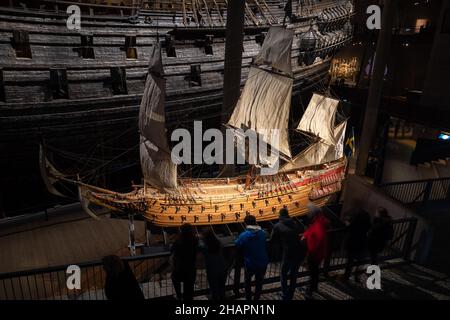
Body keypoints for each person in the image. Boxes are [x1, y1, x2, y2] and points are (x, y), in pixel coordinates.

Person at [270, 208, 305, 300]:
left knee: (283, 273)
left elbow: (272, 239)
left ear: (280, 215)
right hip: (299, 251)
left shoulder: (278, 225)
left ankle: (285, 294)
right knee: (294, 274)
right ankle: (291, 294)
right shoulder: (295, 223)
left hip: (288, 253)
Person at [235, 215, 268, 301]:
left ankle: (248, 299)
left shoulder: (244, 235)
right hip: (263, 262)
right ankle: (256, 299)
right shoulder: (263, 233)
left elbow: (237, 244)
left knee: (248, 282)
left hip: (251, 263)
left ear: (246, 224)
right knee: (259, 283)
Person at [301, 204, 330, 299]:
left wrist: (311, 252)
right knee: (315, 271)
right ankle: (314, 287)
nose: (308, 213)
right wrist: (305, 234)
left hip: (315, 254)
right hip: (319, 253)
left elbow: (319, 237)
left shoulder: (318, 224)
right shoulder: (319, 221)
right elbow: (311, 230)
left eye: (309, 212)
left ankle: (309, 291)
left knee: (312, 272)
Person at [171, 223, 198, 301]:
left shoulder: (178, 241)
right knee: (189, 287)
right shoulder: (195, 240)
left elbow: (172, 250)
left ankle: (179, 296)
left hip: (180, 267)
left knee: (175, 279)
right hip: (191, 267)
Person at [342, 207, 372, 281]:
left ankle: (346, 276)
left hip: (353, 243)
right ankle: (357, 277)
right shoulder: (367, 224)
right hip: (362, 243)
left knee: (350, 261)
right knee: (360, 261)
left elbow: (350, 229)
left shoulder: (355, 223)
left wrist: (347, 224)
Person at [199, 229, 227, 300]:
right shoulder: (219, 242)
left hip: (212, 269)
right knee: (222, 287)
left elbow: (199, 244)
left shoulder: (204, 246)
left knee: (214, 288)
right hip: (222, 267)